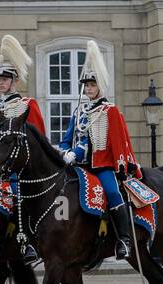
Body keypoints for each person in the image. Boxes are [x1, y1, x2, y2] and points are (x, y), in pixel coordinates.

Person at [58, 41, 139, 260]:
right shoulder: (78, 111)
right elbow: (67, 138)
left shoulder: (109, 110)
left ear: (100, 86)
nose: (88, 89)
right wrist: (65, 152)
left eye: (92, 85)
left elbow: (117, 141)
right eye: (86, 85)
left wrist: (81, 151)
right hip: (78, 165)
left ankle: (124, 240)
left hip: (101, 165)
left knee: (112, 193)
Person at [0, 34, 46, 262]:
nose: (1, 83)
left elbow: (38, 139)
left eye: (5, 79)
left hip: (17, 167)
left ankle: (27, 242)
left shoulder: (26, 105)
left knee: (20, 197)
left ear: (14, 80)